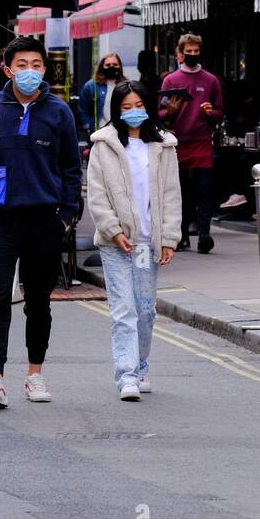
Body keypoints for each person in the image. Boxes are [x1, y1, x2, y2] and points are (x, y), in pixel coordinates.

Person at [0, 36, 82, 409]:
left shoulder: (59, 113)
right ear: (6, 68)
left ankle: (34, 374)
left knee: (38, 302)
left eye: (36, 65)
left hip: (44, 221)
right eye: (22, 64)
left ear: (45, 69)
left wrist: (65, 216)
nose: (30, 71)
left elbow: (71, 169)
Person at [87, 81, 181, 399]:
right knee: (123, 308)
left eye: (138, 105)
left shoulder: (164, 146)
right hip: (116, 243)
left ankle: (141, 366)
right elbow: (97, 196)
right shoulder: (104, 145)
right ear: (116, 111)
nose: (133, 112)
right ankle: (126, 375)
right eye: (125, 107)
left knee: (145, 308)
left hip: (146, 244)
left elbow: (171, 195)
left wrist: (169, 237)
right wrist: (113, 230)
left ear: (149, 106)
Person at [159, 32, 223, 255]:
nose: (193, 55)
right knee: (181, 190)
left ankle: (204, 234)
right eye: (189, 52)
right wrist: (170, 112)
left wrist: (210, 113)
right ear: (181, 53)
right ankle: (182, 234)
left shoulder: (211, 80)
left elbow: (219, 112)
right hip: (178, 141)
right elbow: (160, 114)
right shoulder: (171, 80)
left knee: (204, 188)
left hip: (202, 141)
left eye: (196, 51)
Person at [78, 54, 125, 136]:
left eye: (115, 64)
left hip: (120, 131)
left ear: (120, 66)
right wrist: (87, 127)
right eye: (108, 65)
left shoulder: (125, 85)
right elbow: (83, 110)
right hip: (99, 131)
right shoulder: (91, 86)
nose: (111, 67)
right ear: (102, 67)